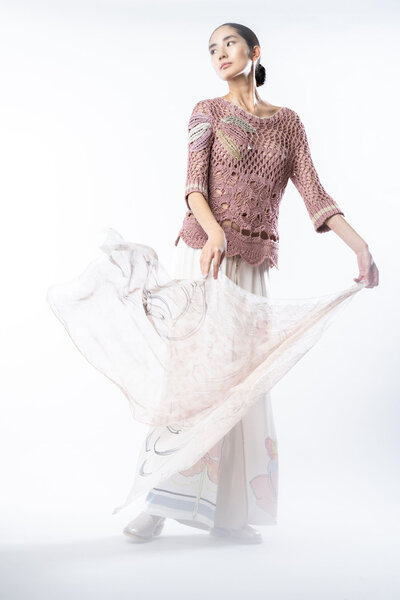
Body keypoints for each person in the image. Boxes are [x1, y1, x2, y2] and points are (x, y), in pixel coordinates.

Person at [121, 22, 379, 544]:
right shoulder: (207, 111)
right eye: (212, 48)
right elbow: (193, 187)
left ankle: (230, 513)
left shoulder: (288, 124)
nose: (220, 53)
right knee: (194, 376)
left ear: (254, 51)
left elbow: (314, 192)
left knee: (243, 382)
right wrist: (215, 233)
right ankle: (158, 502)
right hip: (205, 257)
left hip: (253, 264)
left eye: (229, 43)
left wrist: (360, 246)